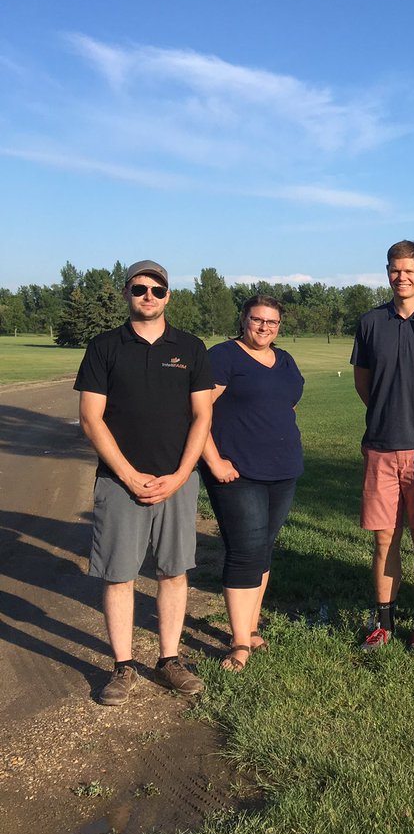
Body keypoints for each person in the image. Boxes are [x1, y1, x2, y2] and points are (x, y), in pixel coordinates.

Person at [74, 260, 214, 705]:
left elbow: (202, 416)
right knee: (118, 575)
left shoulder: (190, 347)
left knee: (173, 571)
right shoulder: (104, 347)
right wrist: (129, 475)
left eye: (157, 290)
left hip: (177, 481)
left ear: (169, 295)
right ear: (127, 293)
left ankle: (169, 660)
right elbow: (90, 418)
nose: (148, 296)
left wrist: (179, 476)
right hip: (119, 483)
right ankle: (123, 666)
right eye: (139, 289)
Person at [200, 295, 304, 672]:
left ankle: (251, 626)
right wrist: (213, 459)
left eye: (272, 322)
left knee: (263, 550)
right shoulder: (224, 357)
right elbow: (197, 412)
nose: (264, 327)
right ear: (243, 320)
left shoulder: (285, 359)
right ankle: (240, 642)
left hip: (282, 470)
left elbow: (287, 403)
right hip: (236, 473)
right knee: (245, 552)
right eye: (257, 320)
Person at [352, 240, 414, 651]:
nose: (401, 276)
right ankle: (383, 620)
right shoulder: (371, 322)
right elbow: (363, 383)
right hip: (382, 447)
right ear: (387, 272)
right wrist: (388, 411)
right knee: (384, 539)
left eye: (409, 270)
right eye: (394, 270)